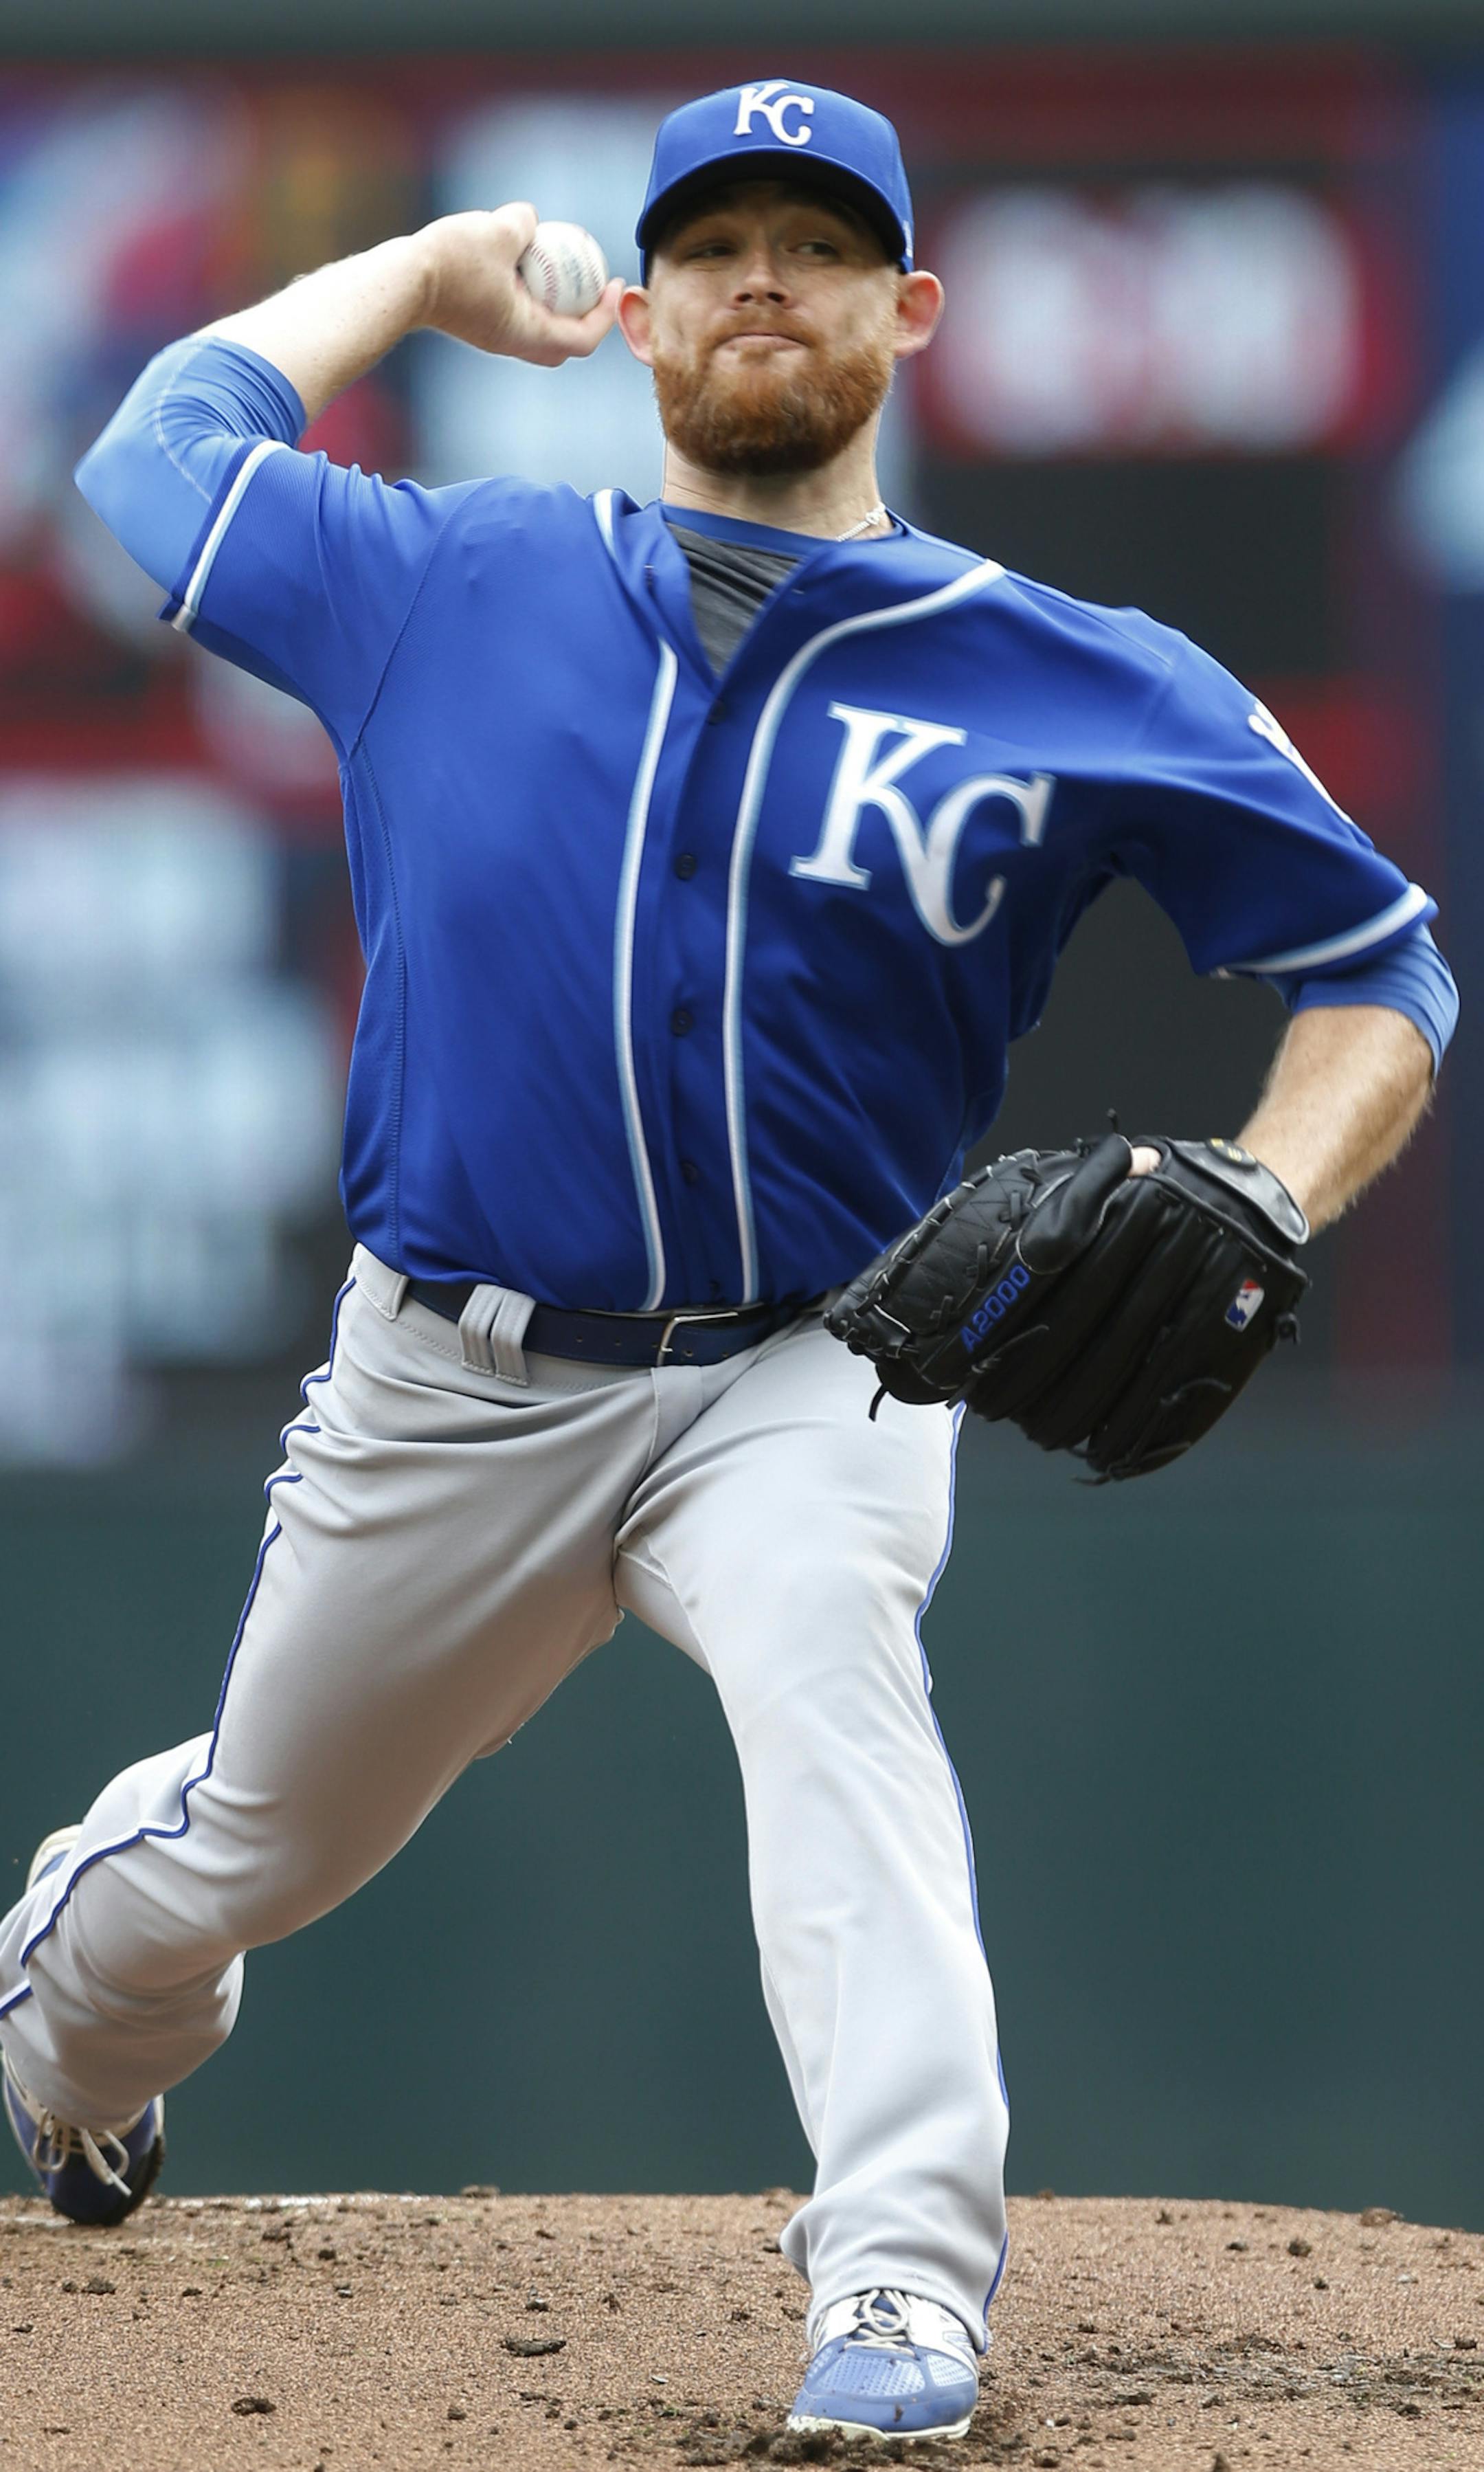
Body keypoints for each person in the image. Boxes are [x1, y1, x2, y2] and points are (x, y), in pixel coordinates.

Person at [0, 78, 1457, 2448]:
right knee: (239, 1859)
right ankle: (66, 2048)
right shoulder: (441, 577)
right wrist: (418, 273)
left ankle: (900, 2294)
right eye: (711, 245)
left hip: (823, 1361)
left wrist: (1273, 1191)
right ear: (646, 309)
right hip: (453, 1381)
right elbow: (152, 453)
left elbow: (1381, 971)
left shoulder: (1071, 673)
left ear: (912, 310)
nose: (759, 278)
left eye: (815, 240)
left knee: (832, 1682)